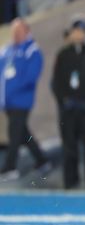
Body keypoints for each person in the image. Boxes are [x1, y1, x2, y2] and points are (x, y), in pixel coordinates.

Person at [51, 16, 85, 189]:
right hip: (68, 110)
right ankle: (70, 180)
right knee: (69, 147)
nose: (78, 34)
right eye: (76, 31)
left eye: (81, 31)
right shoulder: (63, 54)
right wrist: (64, 100)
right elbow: (57, 81)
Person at [0, 18, 50, 180]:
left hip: (21, 101)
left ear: (27, 31)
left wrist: (13, 90)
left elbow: (30, 77)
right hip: (7, 101)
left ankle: (10, 168)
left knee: (14, 134)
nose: (15, 34)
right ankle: (42, 161)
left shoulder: (32, 50)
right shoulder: (7, 50)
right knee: (23, 133)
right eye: (14, 31)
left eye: (19, 31)